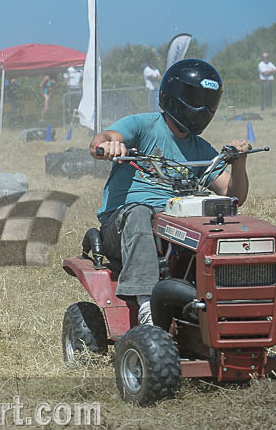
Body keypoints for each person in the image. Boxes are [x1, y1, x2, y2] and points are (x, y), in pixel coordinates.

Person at [90, 59, 251, 326]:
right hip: (120, 227)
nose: (201, 107)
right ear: (175, 97)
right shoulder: (143, 126)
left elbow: (233, 195)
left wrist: (240, 162)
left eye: (207, 100)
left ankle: (229, 302)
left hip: (171, 229)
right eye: (196, 98)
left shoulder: (200, 149)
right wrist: (110, 146)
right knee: (140, 213)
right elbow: (104, 138)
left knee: (220, 216)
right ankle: (146, 305)